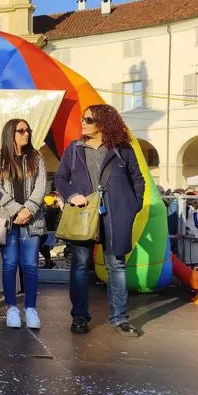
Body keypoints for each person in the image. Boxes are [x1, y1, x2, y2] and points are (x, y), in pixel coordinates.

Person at [54, 104, 145, 337]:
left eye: (89, 119)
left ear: (104, 123)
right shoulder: (74, 149)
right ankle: (80, 317)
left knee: (117, 266)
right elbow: (61, 179)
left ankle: (120, 318)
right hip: (83, 214)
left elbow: (138, 179)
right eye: (83, 119)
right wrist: (72, 195)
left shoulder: (122, 149)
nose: (83, 122)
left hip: (116, 215)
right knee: (80, 266)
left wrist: (132, 206)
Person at [0, 119, 47, 329]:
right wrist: (16, 210)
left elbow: (41, 186)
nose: (26, 134)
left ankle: (30, 309)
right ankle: (12, 308)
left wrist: (28, 210)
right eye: (21, 131)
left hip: (32, 220)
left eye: (28, 130)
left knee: (30, 265)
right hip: (8, 221)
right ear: (10, 133)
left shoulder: (36, 157)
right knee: (10, 264)